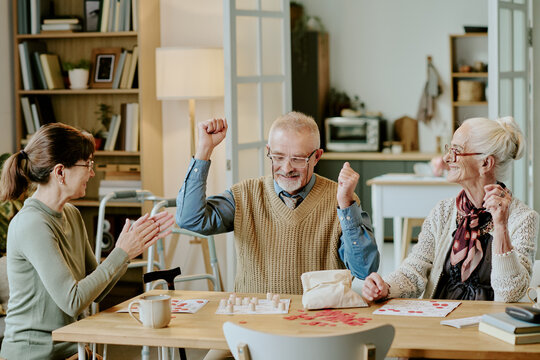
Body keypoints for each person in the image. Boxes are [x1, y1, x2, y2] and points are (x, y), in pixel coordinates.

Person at [0, 123, 174, 360]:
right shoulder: (32, 224)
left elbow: (96, 292)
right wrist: (121, 253)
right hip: (36, 354)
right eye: (88, 164)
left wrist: (128, 250)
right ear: (60, 172)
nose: (92, 173)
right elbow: (73, 301)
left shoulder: (71, 213)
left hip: (71, 349)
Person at [177, 111, 379, 295]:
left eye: (298, 159)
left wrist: (345, 205)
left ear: (317, 157)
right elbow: (190, 220)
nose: (286, 168)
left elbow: (364, 269)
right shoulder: (245, 195)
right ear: (269, 151)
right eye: (278, 157)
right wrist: (204, 150)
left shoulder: (341, 199)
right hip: (256, 320)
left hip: (319, 323)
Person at [362, 116, 538, 303]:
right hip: (439, 320)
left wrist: (501, 226)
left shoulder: (523, 218)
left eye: (456, 151)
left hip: (489, 324)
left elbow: (511, 293)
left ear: (485, 163)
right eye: (449, 149)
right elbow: (415, 270)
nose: (446, 158)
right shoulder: (443, 211)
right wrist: (385, 287)